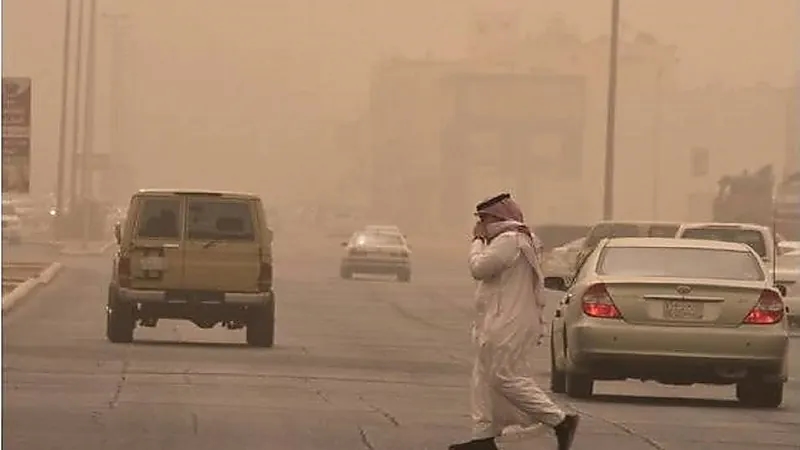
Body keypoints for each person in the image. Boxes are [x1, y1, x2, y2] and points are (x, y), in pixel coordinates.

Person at [449, 193, 579, 450]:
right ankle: (482, 438)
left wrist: (476, 241)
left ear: (497, 218)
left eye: (484, 220)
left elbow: (479, 268)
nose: (481, 225)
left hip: (508, 322)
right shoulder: (516, 239)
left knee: (502, 377)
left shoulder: (509, 240)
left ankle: (559, 420)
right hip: (498, 319)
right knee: (483, 380)